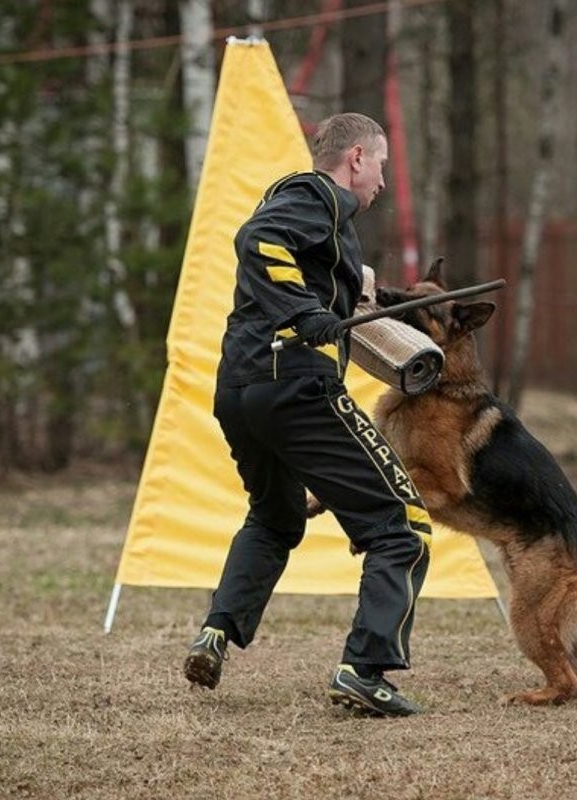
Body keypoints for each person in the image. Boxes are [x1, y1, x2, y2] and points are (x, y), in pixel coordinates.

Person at [183, 112, 431, 717]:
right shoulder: (315, 194)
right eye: (380, 166)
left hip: (241, 390)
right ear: (354, 159)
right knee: (401, 526)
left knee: (275, 516)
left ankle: (217, 631)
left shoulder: (325, 219)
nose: (381, 181)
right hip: (293, 382)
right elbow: (258, 241)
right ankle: (364, 671)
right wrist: (302, 312)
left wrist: (351, 298)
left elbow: (302, 271)